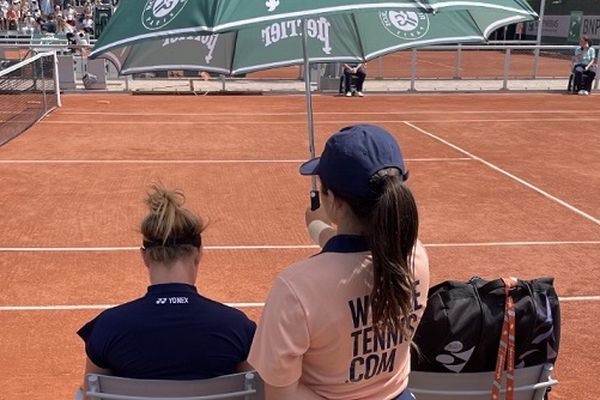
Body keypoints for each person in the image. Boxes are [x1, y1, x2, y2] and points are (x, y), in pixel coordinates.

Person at [248, 124, 430, 400]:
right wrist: (320, 230)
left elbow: (281, 394)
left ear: (332, 200)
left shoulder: (295, 288)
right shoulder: (415, 256)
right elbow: (356, 258)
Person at [77, 184, 256, 397]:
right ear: (199, 252)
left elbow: (91, 394)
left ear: (144, 256)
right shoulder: (238, 328)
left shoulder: (107, 328)